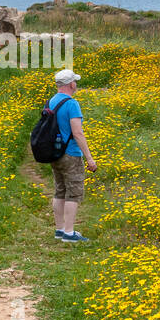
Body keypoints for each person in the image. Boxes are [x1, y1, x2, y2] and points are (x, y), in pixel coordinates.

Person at [48, 68, 97, 242]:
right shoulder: (71, 104)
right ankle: (69, 233)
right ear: (71, 84)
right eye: (75, 81)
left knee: (60, 190)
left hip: (55, 153)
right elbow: (78, 133)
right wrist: (89, 158)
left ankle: (59, 229)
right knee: (74, 193)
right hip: (70, 153)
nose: (76, 84)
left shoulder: (51, 102)